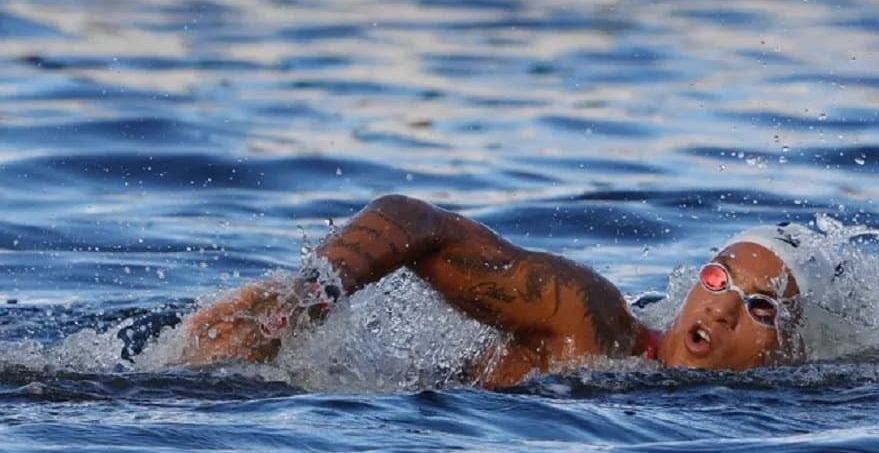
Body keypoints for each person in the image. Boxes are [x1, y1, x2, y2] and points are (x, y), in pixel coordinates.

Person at [178, 194, 843, 388]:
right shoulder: (589, 322)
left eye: (760, 308)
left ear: (785, 354)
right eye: (719, 278)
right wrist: (306, 299)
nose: (723, 307)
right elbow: (417, 222)